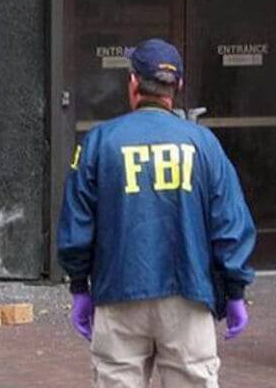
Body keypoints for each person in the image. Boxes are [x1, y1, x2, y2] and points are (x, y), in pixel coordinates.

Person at [58, 38, 256, 387]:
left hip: (118, 292)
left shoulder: (100, 142)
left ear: (133, 82)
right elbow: (230, 224)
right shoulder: (203, 144)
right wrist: (236, 290)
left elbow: (77, 223)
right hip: (189, 293)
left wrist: (79, 286)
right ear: (177, 87)